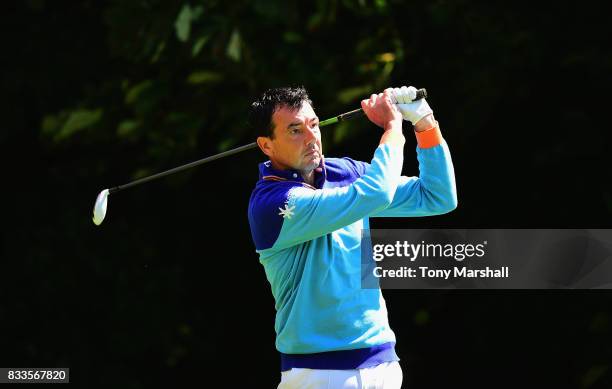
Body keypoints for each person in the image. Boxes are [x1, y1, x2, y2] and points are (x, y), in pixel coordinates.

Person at [247, 85, 457, 389]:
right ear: (266, 145)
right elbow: (374, 194)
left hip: (382, 364)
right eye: (295, 131)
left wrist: (424, 122)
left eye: (313, 125)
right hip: (317, 374)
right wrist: (393, 127)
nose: (311, 138)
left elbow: (437, 196)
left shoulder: (344, 173)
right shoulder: (272, 203)